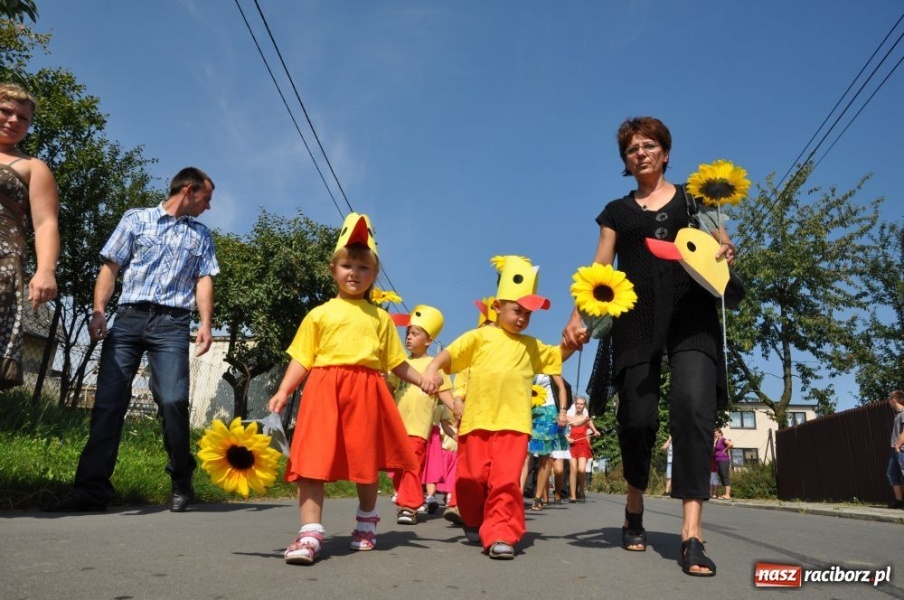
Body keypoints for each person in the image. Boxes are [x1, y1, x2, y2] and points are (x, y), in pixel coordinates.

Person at [562, 116, 737, 577]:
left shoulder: (694, 198)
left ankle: (692, 534)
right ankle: (634, 502)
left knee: (693, 408)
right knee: (637, 419)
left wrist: (725, 249)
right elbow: (599, 268)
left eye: (648, 145)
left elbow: (720, 242)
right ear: (626, 160)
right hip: (635, 318)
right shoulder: (615, 212)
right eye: (631, 148)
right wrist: (578, 316)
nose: (640, 152)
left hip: (691, 313)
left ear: (665, 152)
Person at [45, 167, 217, 513]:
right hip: (128, 320)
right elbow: (110, 268)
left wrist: (206, 323)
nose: (208, 206)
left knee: (173, 400)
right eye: (206, 198)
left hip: (172, 324)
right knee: (109, 403)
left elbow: (204, 279)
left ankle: (181, 477)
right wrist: (98, 311)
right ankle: (92, 491)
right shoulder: (136, 219)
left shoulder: (200, 234)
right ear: (188, 190)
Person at [266, 212, 431, 566]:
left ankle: (367, 521)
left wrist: (422, 380)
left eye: (363, 267)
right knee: (311, 460)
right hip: (323, 391)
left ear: (375, 274)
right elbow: (302, 358)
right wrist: (284, 390)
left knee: (364, 463)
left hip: (366, 392)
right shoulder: (319, 314)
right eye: (347, 265)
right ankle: (310, 533)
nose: (354, 273)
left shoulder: (381, 318)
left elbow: (396, 363)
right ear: (333, 269)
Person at [420, 255, 580, 560]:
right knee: (471, 480)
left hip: (514, 425)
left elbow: (557, 356)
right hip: (476, 423)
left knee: (505, 481)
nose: (522, 318)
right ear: (497, 306)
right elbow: (449, 355)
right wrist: (431, 369)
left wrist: (571, 343)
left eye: (528, 314)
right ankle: (473, 518)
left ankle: (501, 533)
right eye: (517, 310)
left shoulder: (530, 345)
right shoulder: (479, 337)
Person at [0, 83, 60, 389]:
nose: (13, 120)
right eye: (5, 111)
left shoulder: (33, 167)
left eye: (22, 118)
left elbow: (46, 223)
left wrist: (45, 270)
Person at [386, 304, 454, 525]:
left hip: (418, 427)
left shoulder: (435, 366)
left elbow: (445, 394)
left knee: (411, 465)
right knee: (397, 468)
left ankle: (408, 506)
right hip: (397, 425)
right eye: (408, 333)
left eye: (415, 334)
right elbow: (388, 389)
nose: (409, 337)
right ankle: (407, 498)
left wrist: (458, 409)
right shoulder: (399, 364)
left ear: (428, 341)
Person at [527, 373, 569, 511]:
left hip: (547, 414)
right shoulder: (524, 363)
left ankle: (538, 498)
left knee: (544, 457)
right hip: (526, 412)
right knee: (525, 455)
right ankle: (516, 495)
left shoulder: (549, 364)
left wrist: (562, 412)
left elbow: (561, 388)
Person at [566, 395, 600, 502]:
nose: (579, 406)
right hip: (572, 444)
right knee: (573, 469)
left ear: (584, 405)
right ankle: (572, 495)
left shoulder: (587, 419)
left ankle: (581, 491)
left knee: (581, 469)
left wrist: (596, 432)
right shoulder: (569, 418)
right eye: (578, 403)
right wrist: (567, 438)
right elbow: (563, 430)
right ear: (575, 404)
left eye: (581, 404)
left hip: (582, 444)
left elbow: (595, 431)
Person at [887, 390, 904, 509]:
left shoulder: (903, 413)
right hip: (896, 449)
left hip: (901, 449)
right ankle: (899, 501)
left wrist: (898, 445)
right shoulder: (897, 415)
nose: (889, 401)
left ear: (894, 400)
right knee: (892, 474)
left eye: (890, 399)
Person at [713, 428, 733, 499]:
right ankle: (725, 494)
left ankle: (728, 495)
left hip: (724, 460)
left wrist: (725, 450)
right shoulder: (717, 441)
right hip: (718, 461)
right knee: (721, 476)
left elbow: (731, 444)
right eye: (714, 434)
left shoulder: (723, 439)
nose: (715, 435)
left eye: (716, 433)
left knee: (725, 476)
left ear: (720, 433)